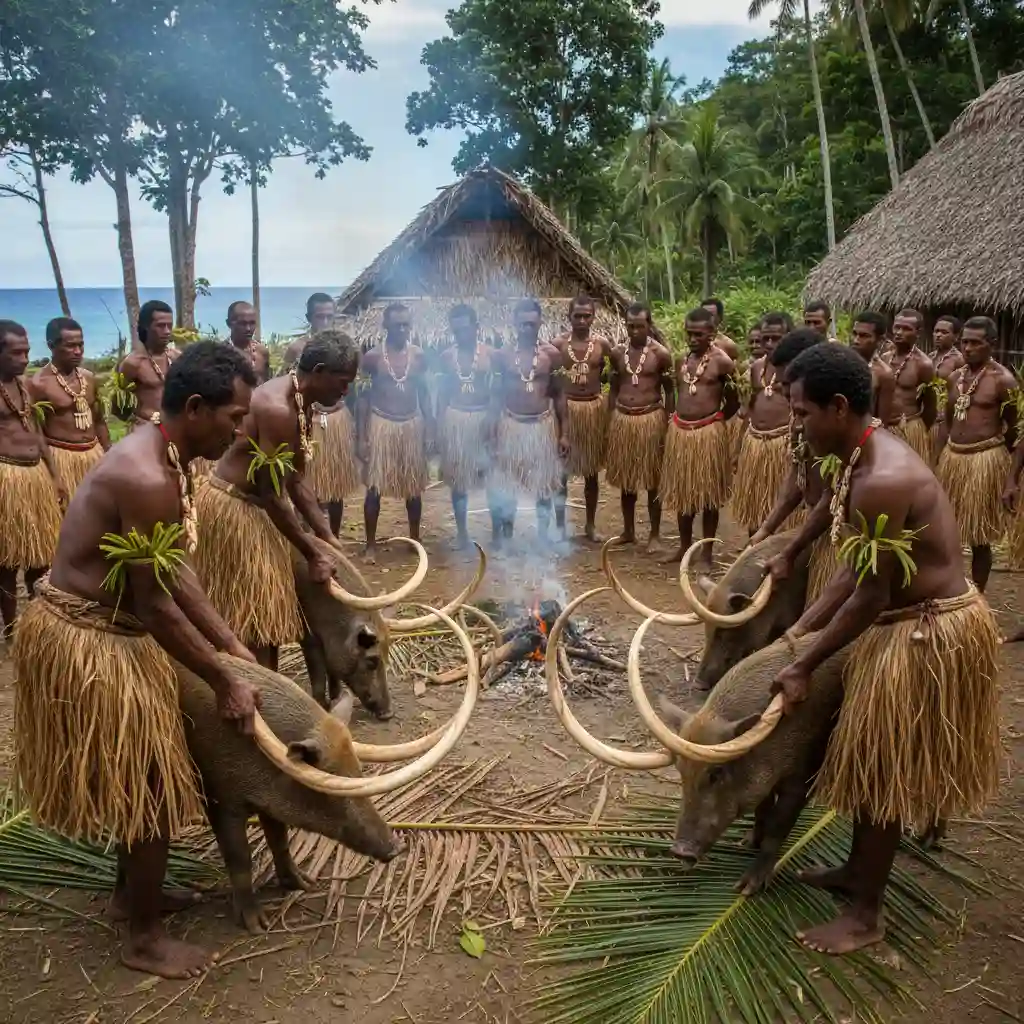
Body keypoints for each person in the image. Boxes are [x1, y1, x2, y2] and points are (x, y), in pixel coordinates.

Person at [13, 341, 261, 979]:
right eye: (235, 418)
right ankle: (144, 940)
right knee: (151, 781)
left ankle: (131, 897)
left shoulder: (168, 458)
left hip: (111, 631)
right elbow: (154, 604)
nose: (241, 431)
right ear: (197, 408)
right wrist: (224, 679)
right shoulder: (147, 476)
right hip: (87, 639)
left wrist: (230, 643)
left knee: (145, 771)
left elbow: (175, 571)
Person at [771, 342, 1000, 956]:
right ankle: (856, 872)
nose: (795, 423)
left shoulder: (881, 478)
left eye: (801, 412)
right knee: (873, 755)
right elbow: (853, 569)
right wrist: (802, 634)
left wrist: (803, 665)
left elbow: (870, 596)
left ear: (838, 408)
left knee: (883, 767)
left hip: (928, 634)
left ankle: (866, 915)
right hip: (902, 622)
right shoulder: (858, 458)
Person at [195, 332, 355, 668]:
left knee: (266, 618)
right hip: (234, 509)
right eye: (343, 382)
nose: (346, 391)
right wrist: (314, 554)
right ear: (319, 372)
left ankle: (266, 682)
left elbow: (295, 479)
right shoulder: (278, 409)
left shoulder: (301, 403)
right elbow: (272, 494)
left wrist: (326, 535)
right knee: (253, 618)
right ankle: (259, 686)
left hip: (255, 508)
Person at [749, 328, 835, 602]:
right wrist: (766, 529)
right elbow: (798, 478)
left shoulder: (836, 422)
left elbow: (834, 497)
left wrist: (790, 551)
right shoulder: (801, 417)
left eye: (788, 381)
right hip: (815, 527)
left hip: (840, 537)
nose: (782, 389)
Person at [933, 316, 1016, 592]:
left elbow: (1015, 431)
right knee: (946, 531)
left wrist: (1011, 478)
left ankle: (977, 594)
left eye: (975, 343)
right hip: (953, 459)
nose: (968, 348)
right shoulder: (955, 378)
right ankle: (951, 589)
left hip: (985, 461)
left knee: (979, 537)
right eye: (965, 342)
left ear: (991, 344)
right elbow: (946, 423)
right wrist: (936, 463)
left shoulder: (1003, 381)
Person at [0, 321, 66, 634]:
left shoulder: (25, 385)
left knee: (41, 556)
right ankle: (11, 627)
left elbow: (37, 432)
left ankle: (36, 624)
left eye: (26, 351)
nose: (24, 359)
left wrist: (54, 475)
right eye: (16, 353)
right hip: (6, 479)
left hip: (36, 476)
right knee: (7, 561)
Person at [659, 307, 738, 565]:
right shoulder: (681, 360)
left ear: (711, 333)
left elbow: (734, 399)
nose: (693, 339)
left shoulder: (723, 362)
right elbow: (677, 393)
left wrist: (716, 423)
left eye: (699, 334)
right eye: (689, 333)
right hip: (681, 433)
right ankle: (684, 548)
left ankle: (706, 552)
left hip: (708, 433)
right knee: (684, 493)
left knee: (709, 496)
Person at [488, 298, 568, 550]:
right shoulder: (502, 355)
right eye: (523, 323)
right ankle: (507, 538)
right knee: (508, 485)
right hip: (511, 424)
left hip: (542, 425)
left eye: (531, 324)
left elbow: (559, 394)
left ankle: (543, 536)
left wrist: (564, 434)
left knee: (543, 486)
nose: (527, 328)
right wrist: (493, 432)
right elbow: (495, 396)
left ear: (540, 322)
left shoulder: (552, 355)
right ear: (514, 322)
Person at [357, 303, 432, 556]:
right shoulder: (372, 357)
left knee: (413, 488)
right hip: (381, 424)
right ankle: (370, 544)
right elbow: (363, 398)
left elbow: (424, 393)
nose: (402, 329)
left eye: (406, 325)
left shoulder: (419, 356)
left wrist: (430, 427)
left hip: (412, 424)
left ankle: (415, 539)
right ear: (386, 326)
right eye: (397, 325)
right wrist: (362, 436)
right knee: (374, 488)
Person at [605, 303, 673, 552]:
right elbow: (614, 388)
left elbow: (669, 391)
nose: (634, 331)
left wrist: (668, 422)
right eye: (630, 326)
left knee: (653, 479)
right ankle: (628, 531)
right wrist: (610, 419)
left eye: (640, 326)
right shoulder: (617, 353)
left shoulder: (661, 354)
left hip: (650, 419)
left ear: (649, 325)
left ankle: (654, 535)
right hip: (623, 419)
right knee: (627, 479)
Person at [552, 295, 615, 543]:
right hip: (566, 410)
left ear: (593, 317)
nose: (581, 320)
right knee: (562, 472)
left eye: (586, 316)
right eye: (577, 316)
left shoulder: (603, 345)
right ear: (568, 316)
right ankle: (559, 527)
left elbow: (615, 374)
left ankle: (589, 525)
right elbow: (549, 380)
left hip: (593, 411)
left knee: (591, 472)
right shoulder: (558, 344)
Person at [28, 317, 111, 499]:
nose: (78, 351)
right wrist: (53, 475)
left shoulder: (88, 378)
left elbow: (99, 421)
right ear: (51, 346)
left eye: (81, 345)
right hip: (62, 460)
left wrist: (110, 455)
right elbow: (36, 434)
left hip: (94, 454)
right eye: (70, 346)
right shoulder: (38, 384)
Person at [731, 316, 797, 537]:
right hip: (755, 443)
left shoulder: (797, 368)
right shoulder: (756, 367)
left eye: (776, 338)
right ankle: (754, 549)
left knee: (782, 506)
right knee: (755, 505)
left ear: (788, 337)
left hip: (784, 445)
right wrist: (739, 447)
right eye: (765, 338)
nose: (769, 344)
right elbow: (749, 408)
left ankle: (780, 551)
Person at [436, 304, 495, 550]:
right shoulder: (446, 357)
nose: (461, 334)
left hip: (483, 418)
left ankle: (497, 534)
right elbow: (442, 394)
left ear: (476, 327)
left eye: (465, 329)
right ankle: (462, 534)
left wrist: (494, 422)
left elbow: (497, 392)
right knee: (459, 481)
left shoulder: (491, 354)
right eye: (456, 330)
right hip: (456, 420)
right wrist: (440, 427)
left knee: (491, 477)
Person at [114, 300, 177, 430]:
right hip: (145, 427)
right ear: (146, 327)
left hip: (174, 427)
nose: (167, 331)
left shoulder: (176, 357)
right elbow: (119, 406)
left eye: (169, 325)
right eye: (160, 326)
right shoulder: (133, 363)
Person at [884, 309, 936, 462]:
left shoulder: (923, 364)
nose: (899, 332)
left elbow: (930, 407)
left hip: (908, 428)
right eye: (897, 327)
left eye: (906, 329)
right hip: (884, 427)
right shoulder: (884, 358)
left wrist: (915, 429)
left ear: (918, 333)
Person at [926, 315, 965, 456]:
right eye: (936, 331)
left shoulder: (959, 360)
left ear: (956, 337)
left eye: (944, 332)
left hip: (944, 421)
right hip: (927, 419)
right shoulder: (929, 357)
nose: (938, 335)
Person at [848, 312, 896, 427]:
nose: (856, 340)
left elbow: (882, 423)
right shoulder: (840, 363)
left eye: (864, 336)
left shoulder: (883, 374)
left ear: (880, 340)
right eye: (854, 334)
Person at [281, 293, 337, 371]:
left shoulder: (343, 346)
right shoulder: (297, 348)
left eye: (329, 316)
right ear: (309, 318)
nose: (325, 322)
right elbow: (284, 376)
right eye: (319, 317)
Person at [226, 301, 271, 384]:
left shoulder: (261, 352)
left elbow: (267, 383)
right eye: (242, 323)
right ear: (229, 324)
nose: (248, 329)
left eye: (252, 323)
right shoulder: (221, 353)